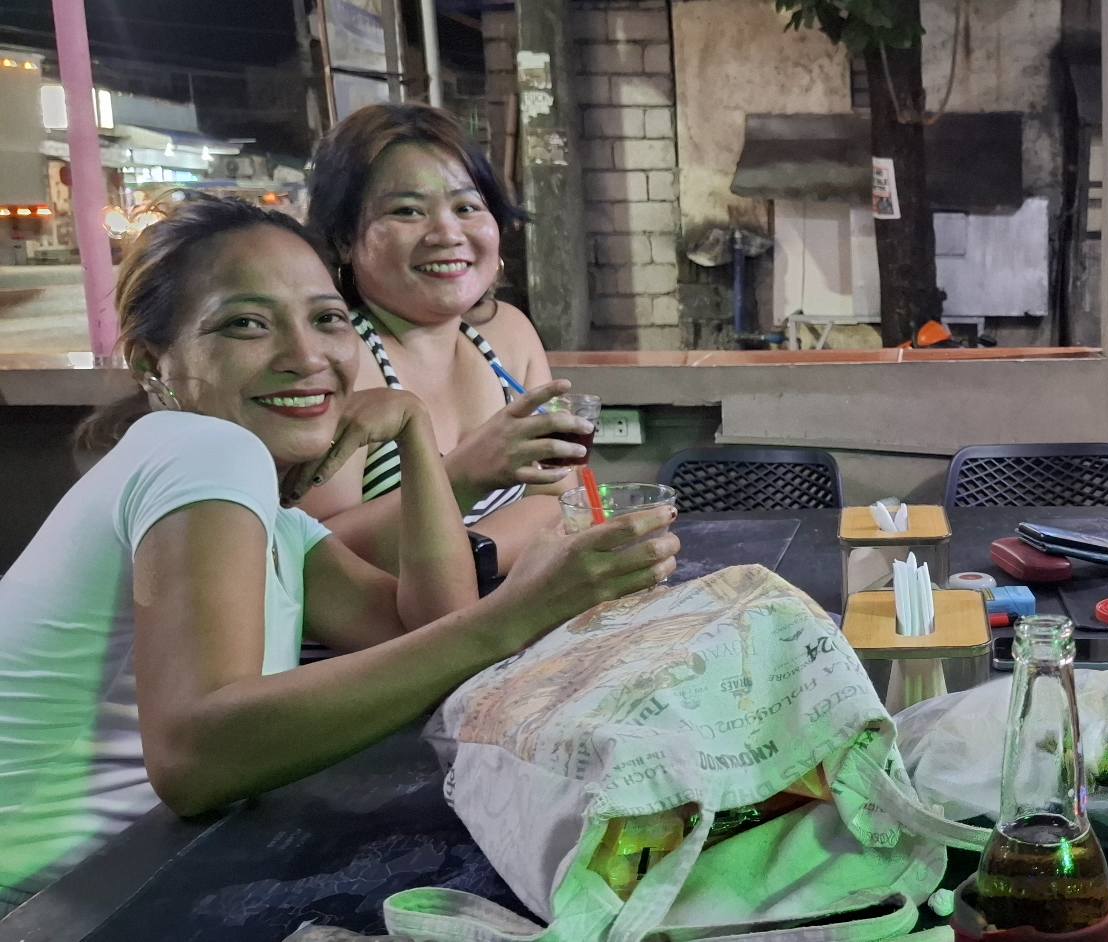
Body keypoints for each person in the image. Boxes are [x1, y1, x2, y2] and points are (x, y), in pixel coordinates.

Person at [0, 197, 680, 915]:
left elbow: (430, 635)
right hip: (63, 904)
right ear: (151, 362)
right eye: (246, 324)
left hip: (143, 869)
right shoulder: (201, 450)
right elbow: (195, 758)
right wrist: (515, 614)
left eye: (326, 319)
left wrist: (414, 432)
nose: (306, 356)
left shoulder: (266, 513)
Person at [298, 103, 581, 573]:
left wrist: (470, 558)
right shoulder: (332, 359)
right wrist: (463, 476)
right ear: (344, 238)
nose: (447, 233)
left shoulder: (508, 336)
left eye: (466, 207)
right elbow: (315, 554)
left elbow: (558, 499)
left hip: (505, 604)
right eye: (407, 211)